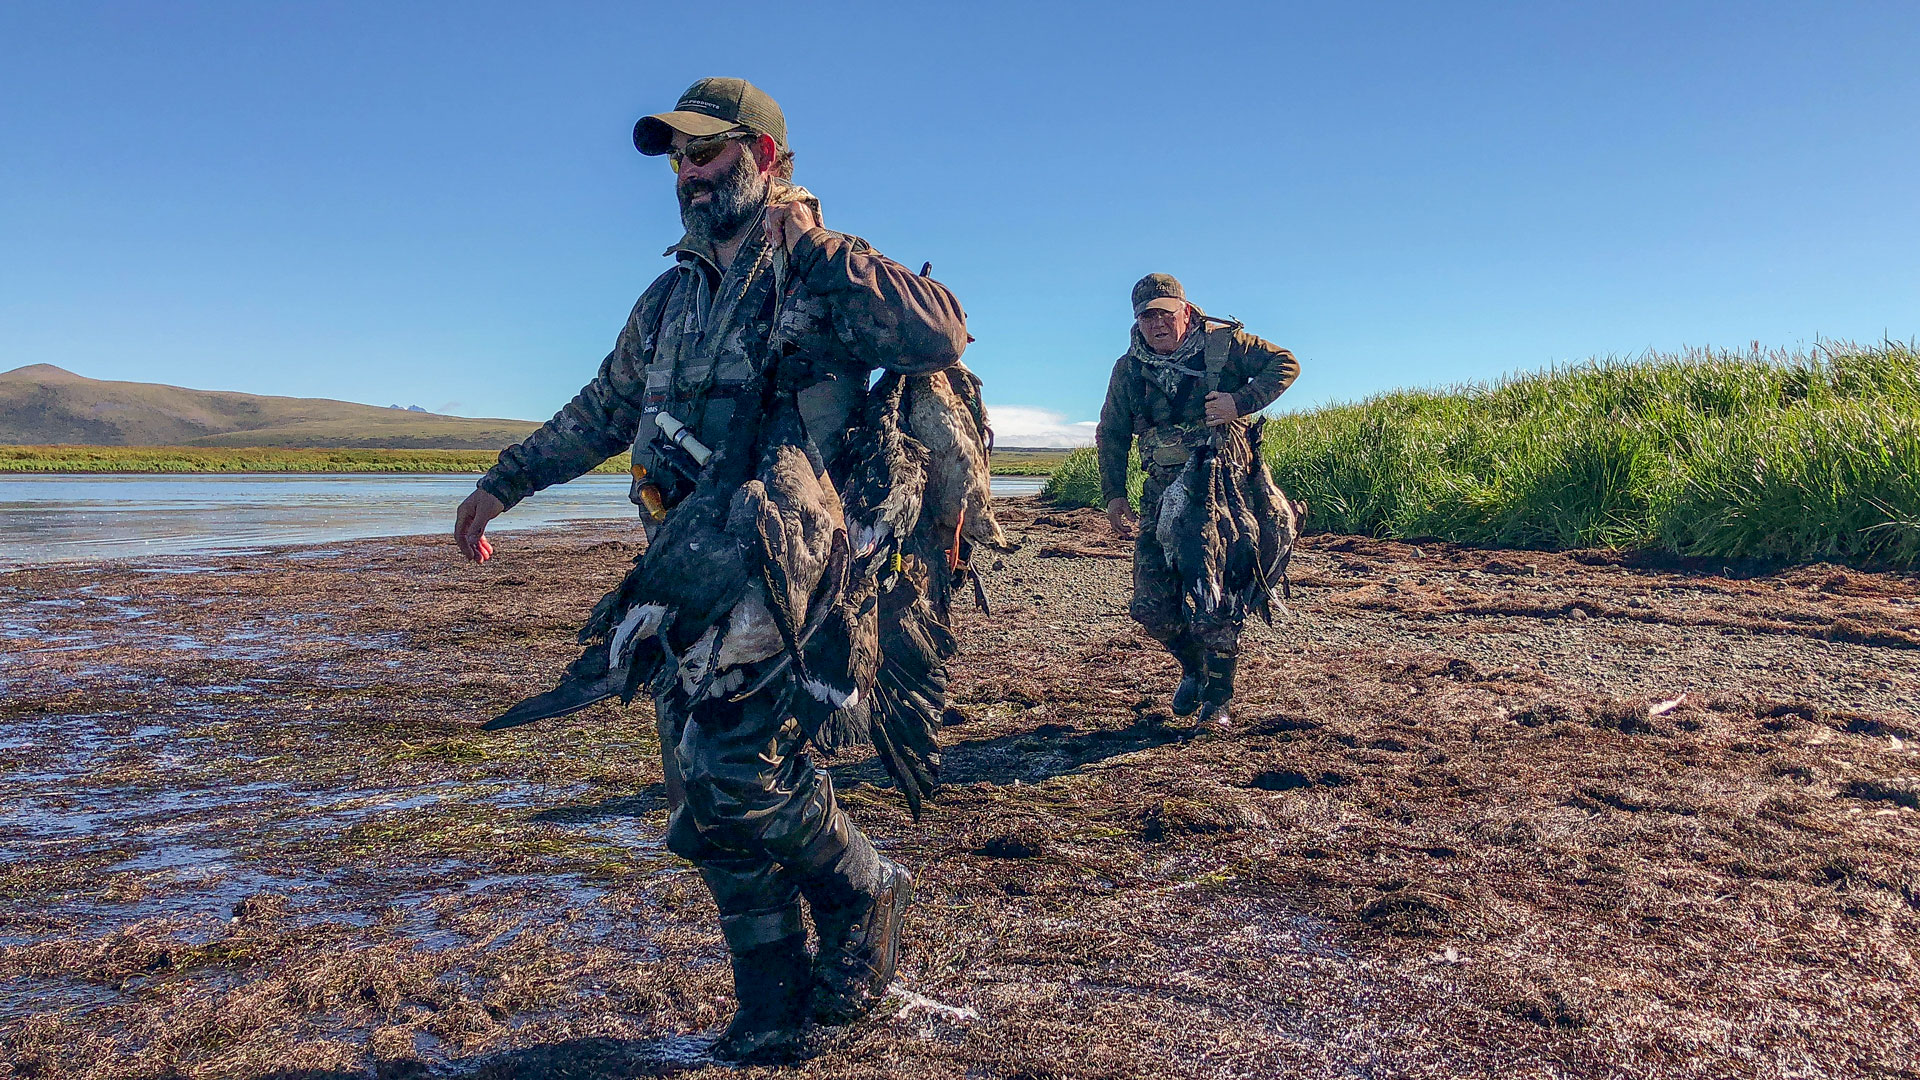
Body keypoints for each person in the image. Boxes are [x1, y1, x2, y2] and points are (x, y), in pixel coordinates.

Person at [451, 77, 969, 1062]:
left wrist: (813, 241)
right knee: (699, 793)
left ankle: (865, 896)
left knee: (740, 773)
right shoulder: (670, 296)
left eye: (707, 153)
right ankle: (770, 1001)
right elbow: (603, 407)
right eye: (677, 159)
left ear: (763, 159)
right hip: (684, 571)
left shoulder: (821, 272)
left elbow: (939, 327)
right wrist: (502, 485)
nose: (686, 175)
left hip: (791, 576)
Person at [1096, 273, 1299, 726]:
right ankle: (1194, 670)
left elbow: (1285, 364)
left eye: (1165, 313)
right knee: (1151, 607)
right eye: (1148, 316)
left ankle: (1219, 700)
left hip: (1224, 495)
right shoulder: (1128, 368)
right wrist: (1113, 495)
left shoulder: (1224, 347)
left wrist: (1240, 401)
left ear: (1185, 312)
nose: (1157, 324)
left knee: (1218, 602)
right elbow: (1111, 433)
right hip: (1160, 498)